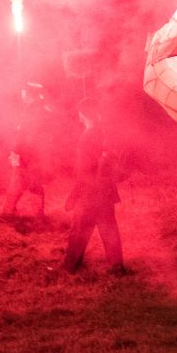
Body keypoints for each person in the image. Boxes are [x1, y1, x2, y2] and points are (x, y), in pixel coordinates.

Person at [59, 101, 125, 274]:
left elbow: (84, 170)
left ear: (83, 114)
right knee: (109, 229)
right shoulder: (103, 132)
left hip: (90, 193)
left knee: (79, 230)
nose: (79, 116)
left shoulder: (87, 136)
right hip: (105, 191)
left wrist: (73, 196)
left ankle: (70, 266)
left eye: (80, 113)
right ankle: (117, 267)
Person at [0, 83, 55, 219]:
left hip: (28, 153)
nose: (22, 96)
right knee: (33, 182)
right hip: (37, 154)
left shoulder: (32, 111)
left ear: (30, 95)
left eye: (24, 93)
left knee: (18, 180)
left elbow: (25, 135)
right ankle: (37, 213)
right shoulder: (43, 109)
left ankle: (8, 211)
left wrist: (15, 152)